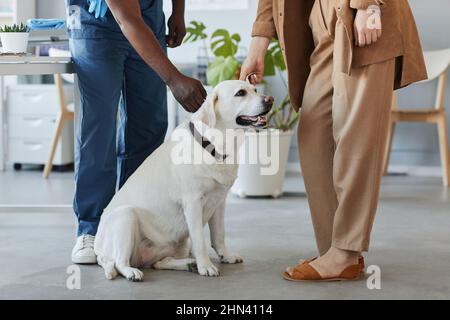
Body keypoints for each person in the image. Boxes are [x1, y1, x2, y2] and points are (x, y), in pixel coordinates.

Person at [241, 0, 427, 281]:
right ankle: (334, 248)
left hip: (361, 13)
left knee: (356, 139)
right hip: (322, 18)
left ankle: (345, 251)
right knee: (314, 134)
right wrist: (258, 44)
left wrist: (366, 6)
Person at [68, 0, 207, 264]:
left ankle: (140, 226)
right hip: (98, 25)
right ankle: (91, 227)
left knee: (149, 125)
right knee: (99, 131)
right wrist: (174, 79)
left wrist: (179, 11)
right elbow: (127, 19)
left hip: (148, 18)